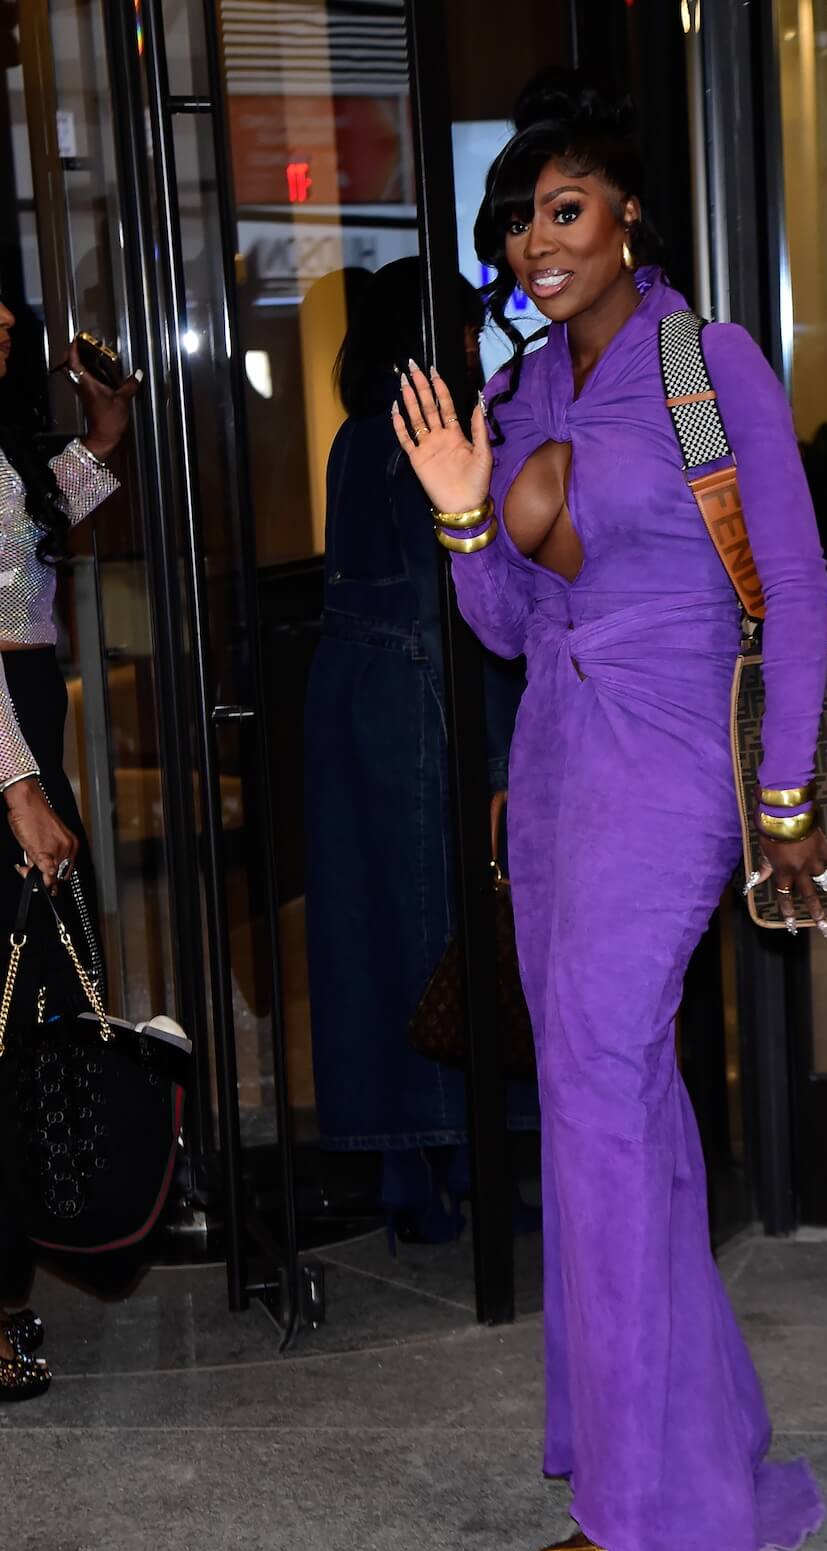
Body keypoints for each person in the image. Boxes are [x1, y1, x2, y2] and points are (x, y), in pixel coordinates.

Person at [391, 71, 827, 1551]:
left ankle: (652, 1497)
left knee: (595, 1074)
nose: (538, 239)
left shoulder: (707, 365)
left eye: (566, 207)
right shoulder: (521, 393)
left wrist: (785, 798)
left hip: (673, 771)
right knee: (615, 1101)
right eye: (520, 217)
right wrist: (467, 507)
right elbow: (513, 622)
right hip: (559, 765)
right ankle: (664, 1438)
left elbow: (793, 587)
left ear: (627, 211)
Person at [304, 257, 524, 1243]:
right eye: (469, 330)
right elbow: (456, 610)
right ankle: (473, 1162)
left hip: (350, 702)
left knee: (377, 935)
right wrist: (498, 762)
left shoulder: (356, 438)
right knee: (451, 930)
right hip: (421, 702)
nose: (481, 347)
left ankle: (406, 1175)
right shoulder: (430, 441)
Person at [0, 297, 140, 1398]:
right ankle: (1, 1311)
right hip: (3, 737)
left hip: (24, 708)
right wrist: (18, 787)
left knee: (26, 1019)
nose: (3, 316)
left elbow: (21, 555)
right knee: (3, 1029)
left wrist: (100, 438)